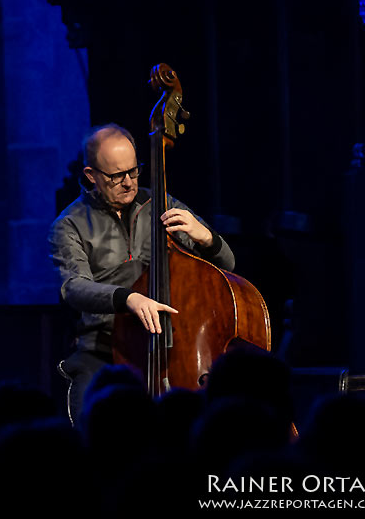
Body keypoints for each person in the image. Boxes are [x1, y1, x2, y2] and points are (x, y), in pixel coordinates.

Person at [49, 123, 235, 424]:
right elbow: (73, 287)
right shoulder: (69, 224)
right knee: (92, 422)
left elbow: (228, 265)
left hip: (172, 344)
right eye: (116, 176)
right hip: (104, 347)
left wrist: (206, 237)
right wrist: (128, 299)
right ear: (91, 175)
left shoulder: (162, 204)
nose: (128, 183)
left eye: (133, 171)